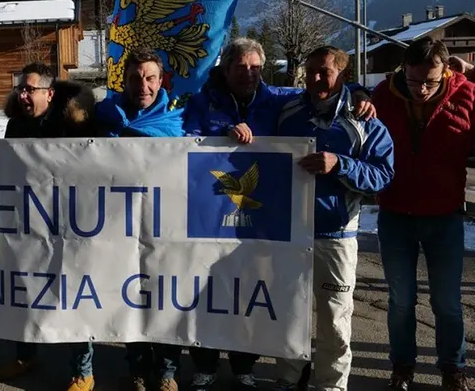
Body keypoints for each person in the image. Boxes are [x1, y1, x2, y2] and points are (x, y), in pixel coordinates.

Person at [183, 38, 377, 391]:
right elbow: (184, 140)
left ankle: (253, 366)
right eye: (240, 67)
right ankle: (209, 364)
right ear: (225, 68)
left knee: (262, 298)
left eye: (255, 67)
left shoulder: (277, 100)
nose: (249, 74)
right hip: (211, 217)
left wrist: (359, 95)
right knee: (215, 293)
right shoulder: (203, 101)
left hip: (271, 223)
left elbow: (326, 87)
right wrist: (221, 135)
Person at [271, 46, 395, 391]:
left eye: (324, 71)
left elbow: (383, 175)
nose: (314, 78)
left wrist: (340, 164)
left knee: (334, 318)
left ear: (343, 74)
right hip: (290, 230)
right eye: (310, 71)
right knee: (288, 312)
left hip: (335, 233)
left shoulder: (365, 120)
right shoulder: (288, 111)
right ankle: (288, 376)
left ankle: (330, 384)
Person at [0, 63, 98, 391]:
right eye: (20, 90)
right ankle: (25, 354)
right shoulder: (15, 125)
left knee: (71, 293)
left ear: (49, 94)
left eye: (30, 89)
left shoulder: (74, 125)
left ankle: (83, 370)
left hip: (69, 223)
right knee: (24, 288)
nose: (23, 95)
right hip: (27, 222)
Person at [373, 38, 474, 391]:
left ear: (446, 71)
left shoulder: (468, 96)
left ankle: (453, 369)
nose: (421, 89)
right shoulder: (383, 95)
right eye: (414, 80)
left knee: (447, 301)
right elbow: (350, 94)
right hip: (395, 215)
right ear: (403, 71)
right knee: (401, 299)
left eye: (430, 81)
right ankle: (402, 367)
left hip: (445, 216)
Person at [95, 47, 185, 391]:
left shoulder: (179, 119)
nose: (142, 85)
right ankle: (136, 366)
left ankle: (166, 371)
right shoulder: (102, 115)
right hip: (118, 225)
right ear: (124, 80)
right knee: (130, 298)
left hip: (167, 225)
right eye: (135, 78)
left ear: (161, 81)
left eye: (150, 78)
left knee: (166, 299)